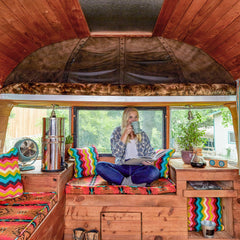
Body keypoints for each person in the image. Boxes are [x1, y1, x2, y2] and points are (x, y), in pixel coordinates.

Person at [96, 107, 160, 187]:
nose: (134, 120)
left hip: (139, 168)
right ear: (125, 119)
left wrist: (148, 160)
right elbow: (116, 154)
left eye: (136, 117)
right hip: (121, 167)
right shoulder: (117, 132)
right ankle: (133, 183)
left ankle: (122, 181)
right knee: (100, 166)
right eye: (130, 117)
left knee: (155, 171)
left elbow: (149, 152)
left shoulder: (142, 134)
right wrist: (125, 134)